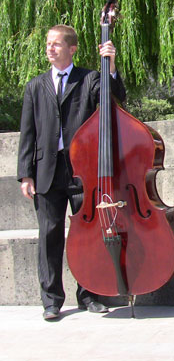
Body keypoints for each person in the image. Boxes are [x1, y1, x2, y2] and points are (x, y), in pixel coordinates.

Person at [17, 24, 126, 320]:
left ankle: (89, 295)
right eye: (48, 44)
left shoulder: (89, 78)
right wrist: (25, 174)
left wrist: (111, 67)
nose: (50, 48)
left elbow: (114, 99)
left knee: (89, 234)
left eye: (56, 44)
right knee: (49, 235)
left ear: (72, 49)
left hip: (83, 171)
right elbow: (28, 133)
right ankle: (51, 300)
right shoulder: (35, 86)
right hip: (46, 172)